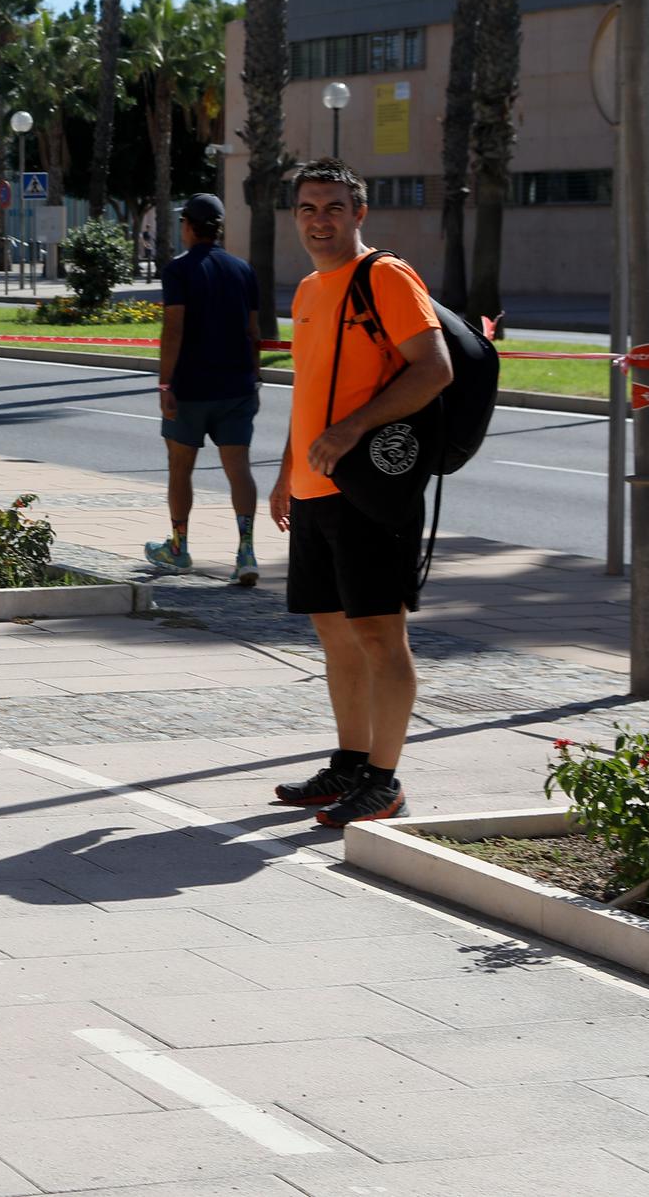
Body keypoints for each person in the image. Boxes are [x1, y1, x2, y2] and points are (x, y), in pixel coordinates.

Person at [270, 160, 452, 828]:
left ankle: (385, 778)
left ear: (359, 214)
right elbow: (308, 384)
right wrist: (288, 468)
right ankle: (348, 762)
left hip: (372, 488)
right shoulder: (311, 291)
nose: (320, 220)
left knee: (379, 632)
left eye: (334, 207)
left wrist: (349, 429)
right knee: (335, 632)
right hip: (316, 487)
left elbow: (435, 368)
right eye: (308, 208)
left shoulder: (385, 276)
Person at [146, 193, 262, 586]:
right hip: (237, 388)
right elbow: (254, 332)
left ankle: (178, 548)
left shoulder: (178, 271)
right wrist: (254, 376)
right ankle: (246, 550)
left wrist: (165, 383)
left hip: (191, 389)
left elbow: (173, 328)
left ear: (189, 227)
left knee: (180, 469)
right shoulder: (243, 270)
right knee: (239, 469)